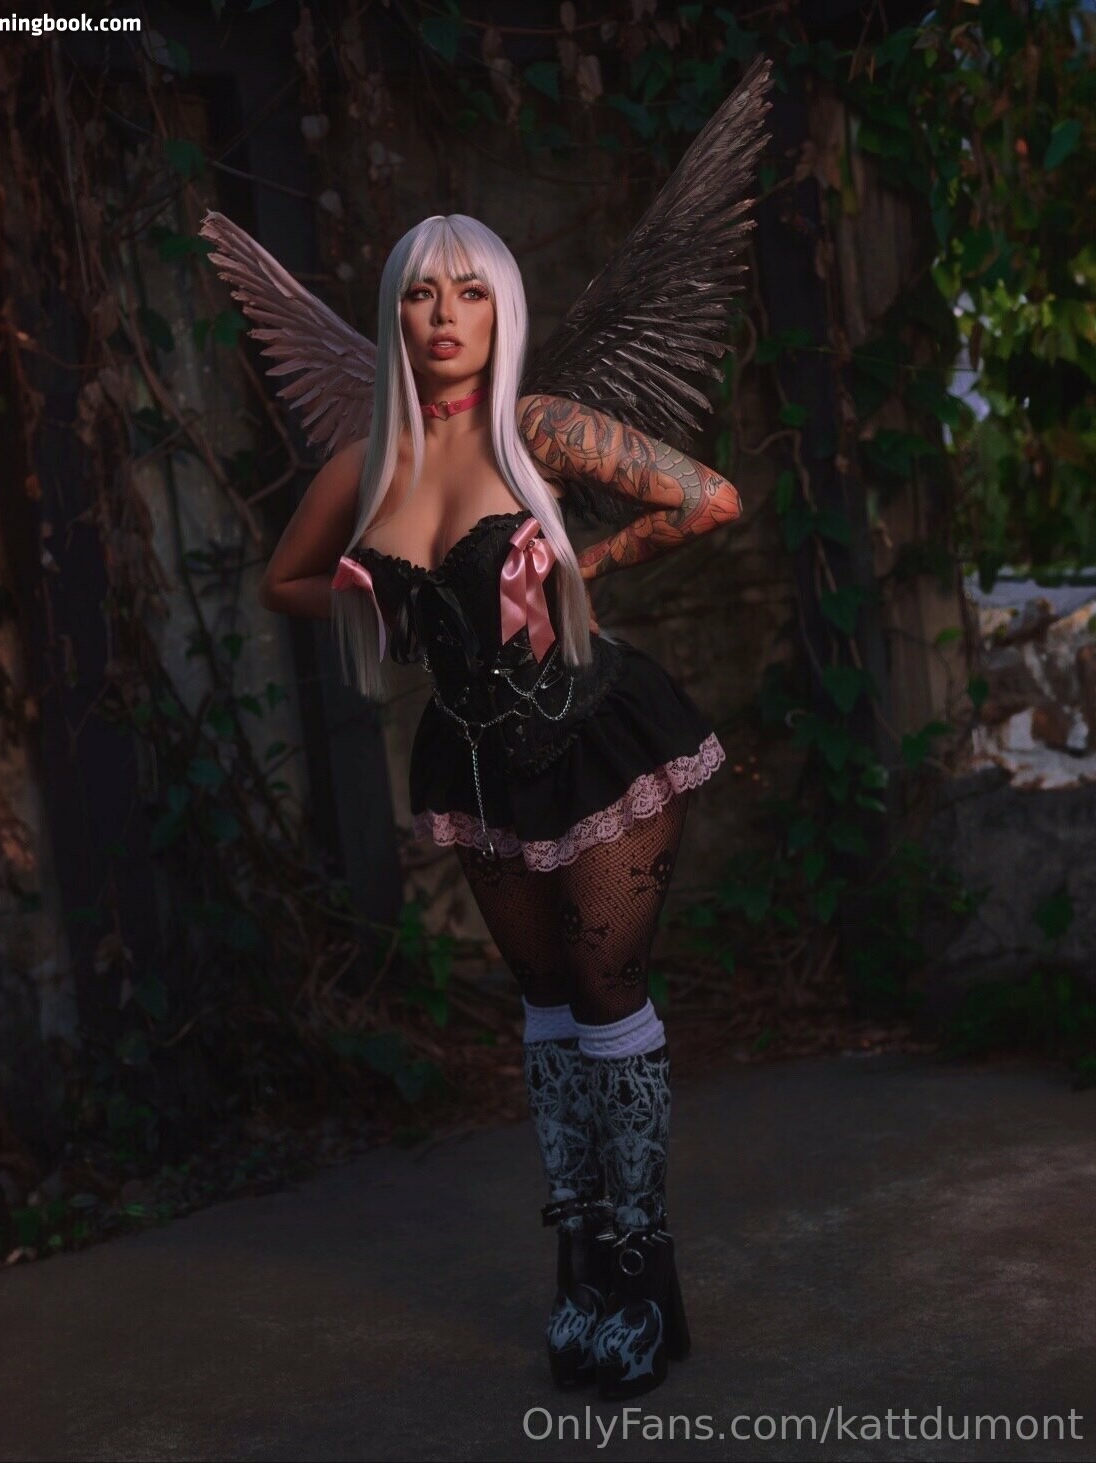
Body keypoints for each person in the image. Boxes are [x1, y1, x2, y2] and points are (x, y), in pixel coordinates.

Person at [257, 212, 742, 1400]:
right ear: (396, 314)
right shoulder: (365, 466)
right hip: (473, 762)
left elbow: (710, 498)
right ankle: (582, 1256)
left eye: (469, 292)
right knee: (545, 1003)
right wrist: (385, 607)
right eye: (422, 294)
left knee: (605, 992)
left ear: (502, 309)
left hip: (598, 734)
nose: (444, 316)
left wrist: (586, 568)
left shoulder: (539, 429)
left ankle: (642, 1272)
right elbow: (286, 578)